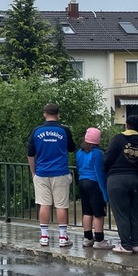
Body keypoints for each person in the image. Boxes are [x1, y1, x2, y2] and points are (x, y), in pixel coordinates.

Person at [27, 103, 76, 248]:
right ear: (58, 114)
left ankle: (44, 237)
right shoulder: (64, 130)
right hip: (60, 171)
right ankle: (62, 237)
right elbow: (72, 148)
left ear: (44, 114)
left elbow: (30, 153)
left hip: (42, 172)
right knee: (61, 205)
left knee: (44, 204)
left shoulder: (36, 131)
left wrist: (33, 172)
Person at [104, 114, 138, 254]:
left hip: (117, 180)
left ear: (126, 124)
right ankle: (136, 244)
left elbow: (107, 159)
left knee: (121, 213)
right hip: (136, 180)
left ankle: (125, 245)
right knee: (134, 213)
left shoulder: (117, 139)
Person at [75, 127, 111, 248]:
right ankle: (99, 240)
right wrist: (105, 194)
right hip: (94, 183)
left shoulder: (79, 152)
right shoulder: (97, 153)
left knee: (87, 211)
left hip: (82, 181)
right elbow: (99, 173)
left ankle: (87, 238)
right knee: (98, 212)